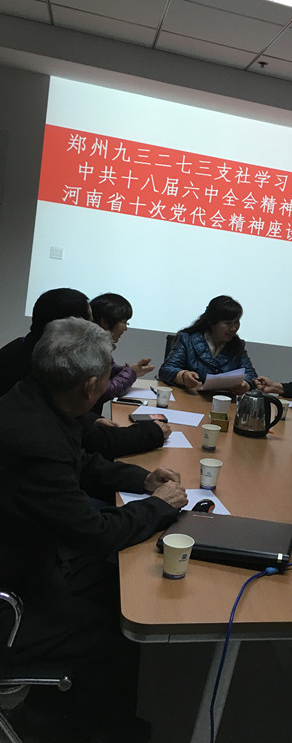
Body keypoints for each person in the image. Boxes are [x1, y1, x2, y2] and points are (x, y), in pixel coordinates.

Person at [0, 318, 188, 742]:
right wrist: (159, 506)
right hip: (15, 591)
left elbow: (80, 464)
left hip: (31, 553)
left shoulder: (36, 398)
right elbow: (96, 533)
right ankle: (96, 729)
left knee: (120, 582)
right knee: (120, 630)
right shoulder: (33, 437)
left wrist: (142, 480)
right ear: (90, 386)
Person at [0, 288, 169, 459]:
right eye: (89, 322)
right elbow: (87, 442)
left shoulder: (23, 350)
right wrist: (150, 433)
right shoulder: (46, 367)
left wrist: (90, 420)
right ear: (66, 327)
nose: (93, 327)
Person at [159, 295, 256, 393]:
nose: (234, 328)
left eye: (236, 322)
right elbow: (166, 370)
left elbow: (251, 374)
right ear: (213, 322)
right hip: (190, 397)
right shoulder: (187, 339)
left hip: (223, 399)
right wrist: (183, 375)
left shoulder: (237, 345)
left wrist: (245, 384)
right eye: (228, 323)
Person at [90, 292, 154, 409]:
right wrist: (131, 373)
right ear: (104, 321)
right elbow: (103, 391)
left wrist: (131, 370)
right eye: (123, 322)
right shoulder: (90, 348)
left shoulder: (98, 345)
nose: (125, 328)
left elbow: (109, 369)